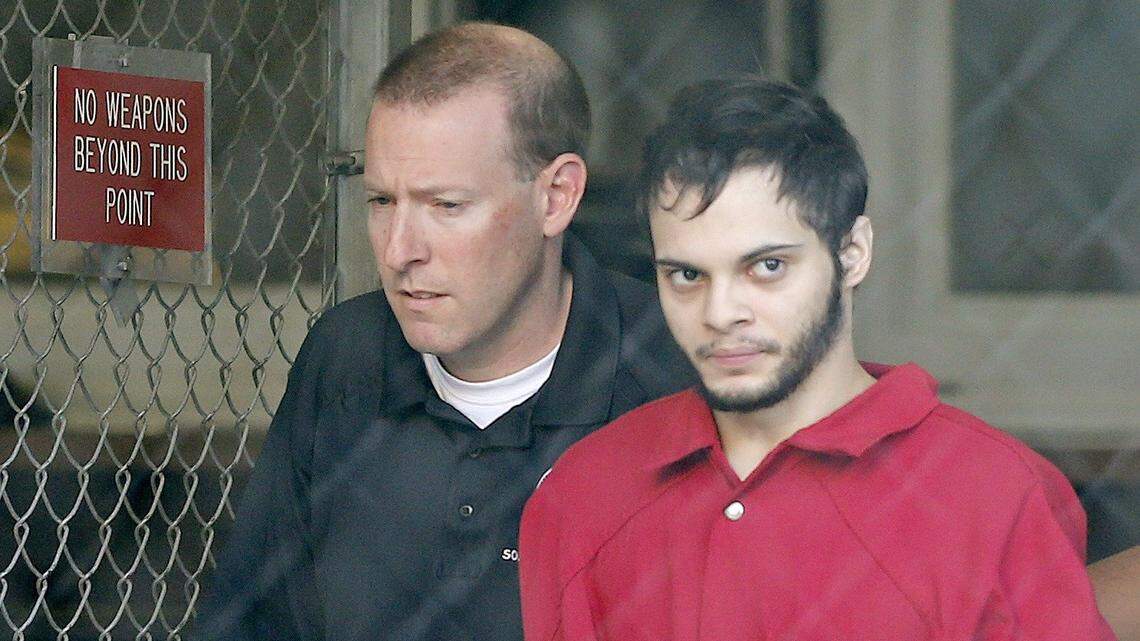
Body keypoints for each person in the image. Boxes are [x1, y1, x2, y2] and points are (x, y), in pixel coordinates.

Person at [518, 77, 1117, 640]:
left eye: (767, 266)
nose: (721, 311)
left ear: (852, 253)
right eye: (686, 274)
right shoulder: (585, 493)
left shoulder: (996, 493)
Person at [193, 23, 691, 641]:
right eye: (381, 203)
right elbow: (254, 621)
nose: (400, 251)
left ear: (556, 197)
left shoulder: (676, 376)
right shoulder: (348, 356)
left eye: (446, 206)